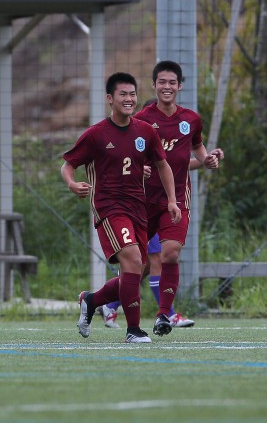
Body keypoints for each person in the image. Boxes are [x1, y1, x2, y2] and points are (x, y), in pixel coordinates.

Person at [61, 72, 181, 344]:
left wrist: (172, 200)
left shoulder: (146, 132)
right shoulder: (96, 135)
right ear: (110, 99)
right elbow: (68, 164)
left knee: (133, 273)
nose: (129, 99)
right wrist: (71, 183)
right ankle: (133, 330)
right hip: (109, 208)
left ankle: (91, 301)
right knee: (134, 260)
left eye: (132, 94)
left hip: (138, 207)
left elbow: (162, 164)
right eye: (123, 95)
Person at [133, 60, 220, 337]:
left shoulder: (191, 120)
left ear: (180, 86)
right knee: (136, 262)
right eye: (162, 82)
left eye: (172, 82)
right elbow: (131, 153)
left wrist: (208, 159)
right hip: (144, 199)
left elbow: (196, 147)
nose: (167, 87)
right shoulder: (142, 119)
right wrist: (139, 168)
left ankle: (163, 315)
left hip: (177, 198)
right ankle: (98, 300)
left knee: (169, 253)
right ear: (154, 85)